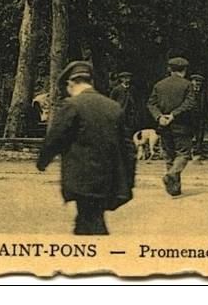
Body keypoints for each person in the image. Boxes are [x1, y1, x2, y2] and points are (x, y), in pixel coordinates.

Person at [36, 61, 135, 235]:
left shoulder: (73, 105)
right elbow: (127, 147)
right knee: (92, 220)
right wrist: (128, 181)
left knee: (89, 224)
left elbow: (55, 138)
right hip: (108, 179)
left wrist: (42, 161)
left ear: (71, 83)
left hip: (82, 180)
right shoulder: (113, 107)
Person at [147, 57, 196, 197]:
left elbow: (151, 104)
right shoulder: (187, 84)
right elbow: (190, 103)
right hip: (182, 126)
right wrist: (173, 115)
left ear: (170, 69)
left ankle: (174, 189)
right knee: (183, 154)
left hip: (163, 126)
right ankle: (172, 174)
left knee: (169, 157)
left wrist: (159, 117)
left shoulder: (159, 85)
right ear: (184, 70)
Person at [109, 71, 138, 135]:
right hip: (122, 111)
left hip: (131, 113)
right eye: (125, 78)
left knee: (131, 128)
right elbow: (111, 101)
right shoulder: (116, 90)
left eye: (129, 78)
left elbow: (136, 100)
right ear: (121, 79)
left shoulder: (132, 89)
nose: (127, 79)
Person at [188, 74, 208, 157]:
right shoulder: (187, 91)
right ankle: (189, 151)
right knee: (188, 133)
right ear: (191, 82)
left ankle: (198, 150)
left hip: (201, 116)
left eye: (199, 81)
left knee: (200, 133)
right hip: (189, 116)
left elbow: (207, 104)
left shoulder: (204, 92)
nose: (198, 83)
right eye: (196, 81)